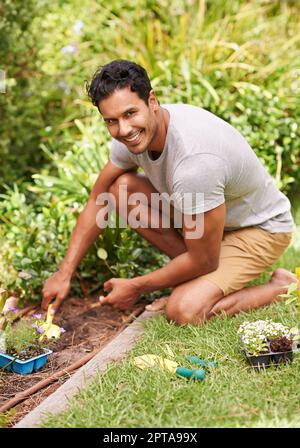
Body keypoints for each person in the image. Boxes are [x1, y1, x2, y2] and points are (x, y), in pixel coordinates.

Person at [42, 59, 297, 326]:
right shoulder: (131, 137)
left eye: (130, 114)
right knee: (120, 189)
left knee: (183, 310)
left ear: (152, 100)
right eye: (112, 121)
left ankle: (281, 285)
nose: (124, 129)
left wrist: (137, 286)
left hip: (260, 229)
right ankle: (193, 281)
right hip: (209, 221)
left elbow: (205, 259)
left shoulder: (194, 162)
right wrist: (64, 272)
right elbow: (99, 198)